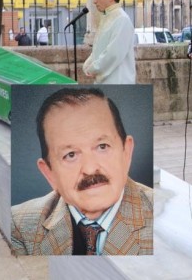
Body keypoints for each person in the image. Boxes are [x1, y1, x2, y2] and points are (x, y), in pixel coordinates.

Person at [11, 88, 153, 256]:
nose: (90, 168)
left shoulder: (164, 219)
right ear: (49, 173)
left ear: (126, 153)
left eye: (102, 147)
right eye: (70, 155)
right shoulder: (17, 226)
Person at [83, 0, 135, 84]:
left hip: (118, 82)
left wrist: (93, 68)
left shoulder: (122, 19)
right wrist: (88, 63)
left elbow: (113, 54)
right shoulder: (107, 16)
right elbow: (100, 49)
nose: (94, 1)